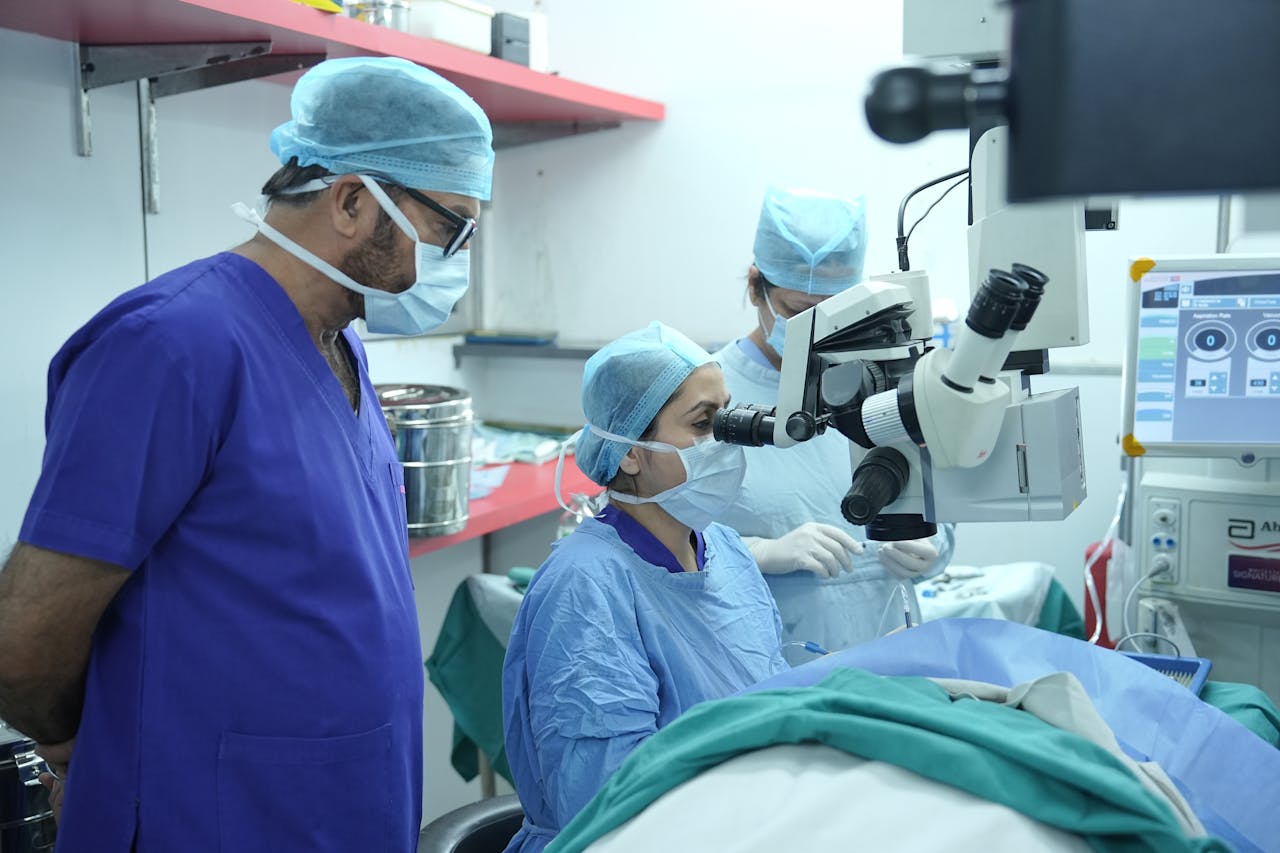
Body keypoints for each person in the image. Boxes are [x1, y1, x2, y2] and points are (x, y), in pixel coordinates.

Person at [0, 56, 493, 852]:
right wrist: (79, 750)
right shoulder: (171, 345)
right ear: (351, 201)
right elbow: (25, 642)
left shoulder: (341, 348)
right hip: (210, 814)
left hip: (343, 803)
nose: (459, 259)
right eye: (451, 228)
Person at [502, 321, 788, 853]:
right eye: (704, 424)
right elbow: (606, 799)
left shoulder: (724, 549)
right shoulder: (586, 587)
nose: (725, 439)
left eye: (727, 416)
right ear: (631, 452)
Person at [713, 186, 955, 653]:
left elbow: (938, 495)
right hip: (768, 661)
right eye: (798, 312)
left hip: (888, 645)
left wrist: (934, 543)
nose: (814, 329)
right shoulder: (708, 395)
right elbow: (663, 536)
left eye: (831, 312)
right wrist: (755, 553)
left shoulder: (887, 375)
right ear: (754, 288)